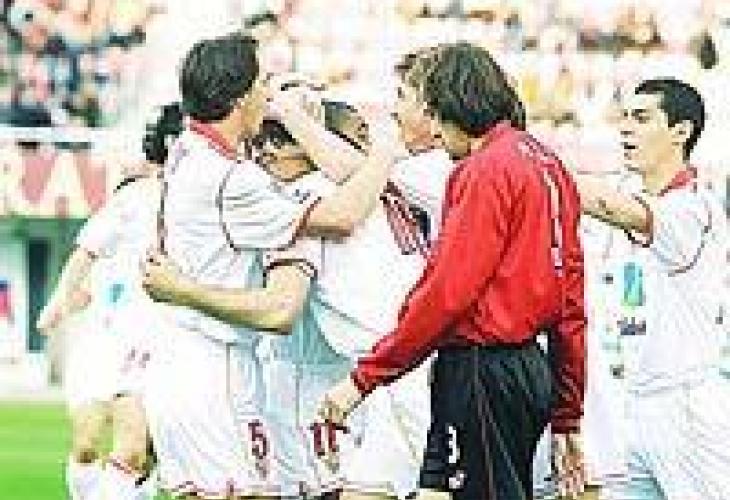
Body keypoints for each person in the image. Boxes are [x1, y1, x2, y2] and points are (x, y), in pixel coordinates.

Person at [142, 50, 453, 500]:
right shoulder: (372, 182)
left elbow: (334, 222)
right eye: (262, 88)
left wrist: (180, 289)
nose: (267, 148)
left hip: (385, 372)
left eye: (279, 138)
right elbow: (348, 197)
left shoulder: (290, 186)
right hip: (367, 370)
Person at [317, 42, 587, 500]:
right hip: (524, 367)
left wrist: (365, 378)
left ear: (454, 104)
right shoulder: (546, 163)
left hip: (483, 370)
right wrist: (567, 409)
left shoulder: (484, 170)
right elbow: (572, 296)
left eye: (436, 116)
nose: (437, 135)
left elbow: (447, 292)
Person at [576, 78, 730, 500]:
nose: (626, 127)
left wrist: (532, 166)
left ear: (681, 131)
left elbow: (612, 208)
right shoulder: (623, 191)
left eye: (642, 118)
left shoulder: (695, 208)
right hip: (626, 407)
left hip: (684, 410)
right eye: (625, 117)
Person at [35, 102, 184, 500]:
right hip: (108, 342)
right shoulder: (134, 200)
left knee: (136, 450)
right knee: (87, 443)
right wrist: (60, 302)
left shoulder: (209, 201)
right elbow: (85, 252)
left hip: (164, 344)